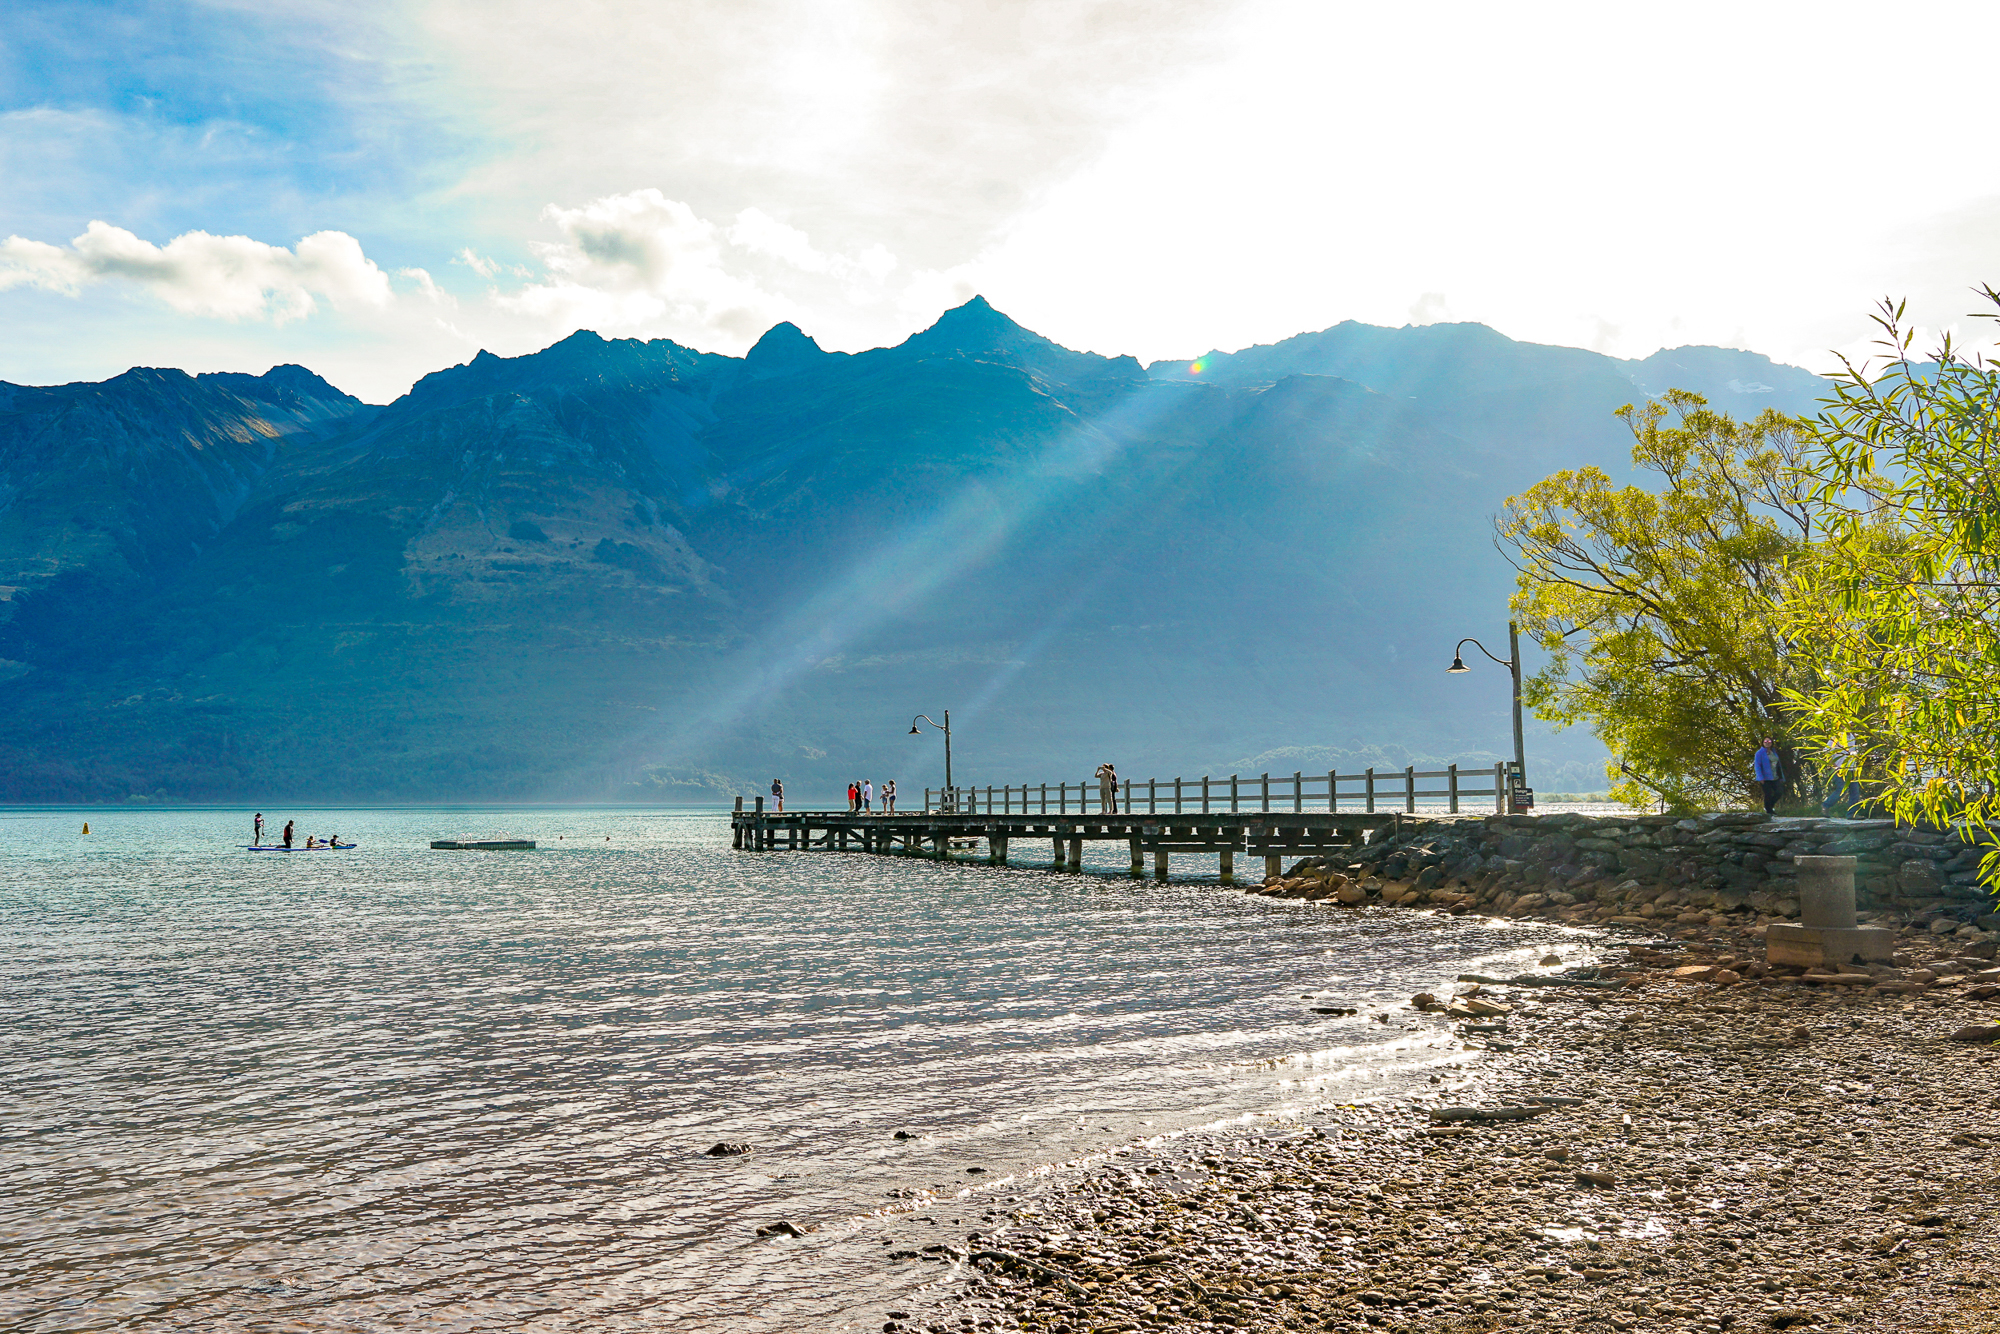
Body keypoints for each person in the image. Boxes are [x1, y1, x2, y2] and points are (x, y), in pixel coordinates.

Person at [1753, 737, 1783, 814]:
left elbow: (1778, 764)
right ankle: (1769, 811)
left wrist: (1781, 775)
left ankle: (1769, 806)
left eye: (1769, 741)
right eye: (1765, 741)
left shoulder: (1774, 752)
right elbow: (1757, 766)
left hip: (1775, 777)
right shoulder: (1759, 753)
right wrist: (1760, 777)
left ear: (1772, 742)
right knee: (1768, 794)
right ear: (1762, 743)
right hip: (1765, 778)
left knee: (1779, 792)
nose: (1767, 742)